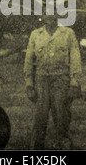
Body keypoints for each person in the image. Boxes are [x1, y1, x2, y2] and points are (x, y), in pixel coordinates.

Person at [24, 15, 82, 150]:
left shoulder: (68, 33)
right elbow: (28, 61)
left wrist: (74, 83)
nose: (49, 16)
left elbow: (75, 58)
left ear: (57, 15)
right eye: (46, 13)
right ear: (42, 16)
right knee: (40, 119)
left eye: (52, 12)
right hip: (41, 80)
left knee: (62, 117)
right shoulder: (35, 34)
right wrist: (29, 84)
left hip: (61, 80)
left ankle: (64, 147)